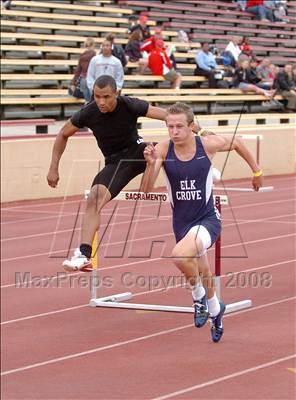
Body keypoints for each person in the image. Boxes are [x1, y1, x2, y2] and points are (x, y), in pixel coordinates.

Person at [47, 76, 200, 272]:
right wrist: (53, 167)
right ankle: (84, 255)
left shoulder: (129, 104)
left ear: (116, 94)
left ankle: (201, 171)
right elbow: (63, 134)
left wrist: (201, 132)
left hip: (138, 151)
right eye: (97, 96)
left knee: (165, 147)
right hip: (116, 163)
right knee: (94, 198)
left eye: (106, 97)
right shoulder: (89, 112)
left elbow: (170, 117)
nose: (101, 102)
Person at [140, 102, 264, 342]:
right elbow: (145, 192)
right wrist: (150, 163)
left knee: (178, 256)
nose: (174, 131)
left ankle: (198, 296)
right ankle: (217, 311)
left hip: (207, 219)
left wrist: (256, 172)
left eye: (179, 126)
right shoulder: (163, 149)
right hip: (182, 223)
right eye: (169, 127)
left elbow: (237, 141)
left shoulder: (205, 145)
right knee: (204, 271)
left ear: (190, 126)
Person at [70, 37, 96, 102]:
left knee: (87, 101)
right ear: (93, 45)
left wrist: (73, 83)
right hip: (93, 81)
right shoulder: (95, 56)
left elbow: (77, 71)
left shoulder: (82, 56)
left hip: (83, 80)